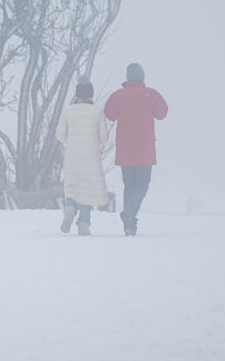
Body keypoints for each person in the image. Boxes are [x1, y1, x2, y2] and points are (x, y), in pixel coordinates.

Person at [104, 63, 168, 236]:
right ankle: (130, 213)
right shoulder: (150, 94)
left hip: (125, 150)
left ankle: (129, 224)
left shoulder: (118, 95)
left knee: (129, 186)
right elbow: (162, 113)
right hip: (144, 150)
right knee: (142, 185)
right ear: (142, 77)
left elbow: (109, 114)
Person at [56, 75, 110, 236]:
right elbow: (104, 137)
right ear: (91, 93)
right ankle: (84, 223)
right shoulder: (97, 112)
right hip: (91, 158)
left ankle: (70, 208)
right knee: (88, 189)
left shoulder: (68, 111)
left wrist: (69, 141)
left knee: (72, 187)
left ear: (77, 94)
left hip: (72, 156)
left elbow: (59, 135)